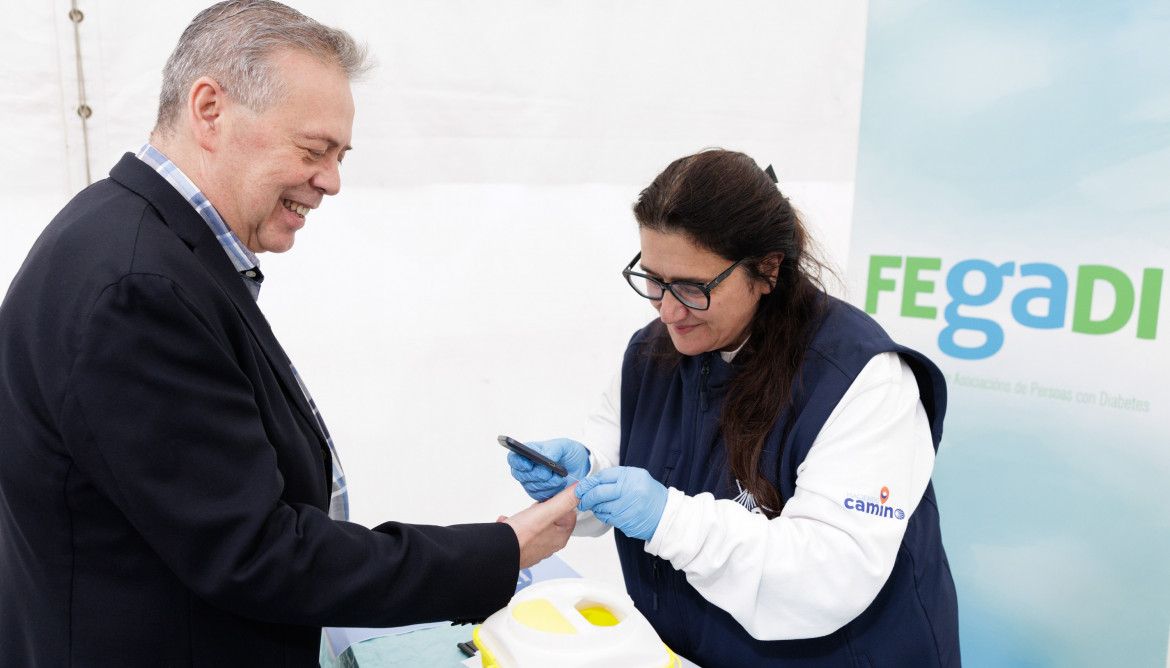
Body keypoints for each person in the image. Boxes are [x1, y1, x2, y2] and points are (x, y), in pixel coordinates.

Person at [0, 2, 579, 665]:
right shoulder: (139, 288)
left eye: (339, 155)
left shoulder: (120, 231)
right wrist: (499, 551)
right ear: (210, 109)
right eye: (313, 150)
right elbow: (255, 553)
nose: (331, 181)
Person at [508, 149, 960, 666]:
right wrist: (582, 480)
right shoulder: (651, 353)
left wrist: (668, 519)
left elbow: (828, 578)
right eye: (653, 279)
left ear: (768, 269)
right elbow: (621, 466)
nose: (669, 310)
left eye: (693, 288)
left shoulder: (860, 379)